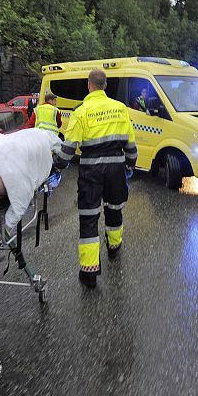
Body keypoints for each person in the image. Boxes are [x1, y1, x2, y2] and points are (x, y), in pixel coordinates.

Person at [54, 69, 137, 289]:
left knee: (89, 217)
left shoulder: (80, 111)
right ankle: (114, 247)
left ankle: (89, 273)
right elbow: (130, 143)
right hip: (116, 167)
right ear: (105, 85)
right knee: (114, 209)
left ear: (89, 85)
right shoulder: (120, 108)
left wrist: (58, 165)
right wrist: (130, 163)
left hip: (91, 169)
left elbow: (69, 147)